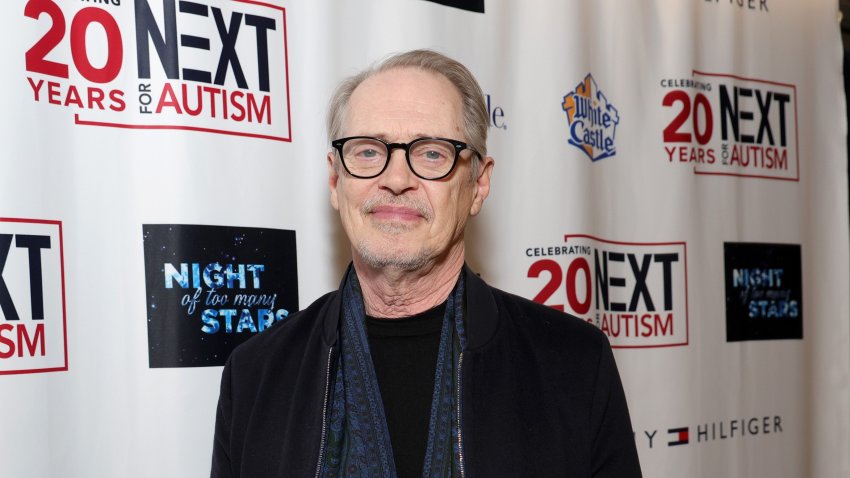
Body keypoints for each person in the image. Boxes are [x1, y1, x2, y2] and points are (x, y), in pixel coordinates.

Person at [210, 49, 642, 478]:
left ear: (478, 184)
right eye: (366, 152)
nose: (397, 179)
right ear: (335, 181)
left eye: (433, 153)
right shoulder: (255, 375)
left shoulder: (573, 364)